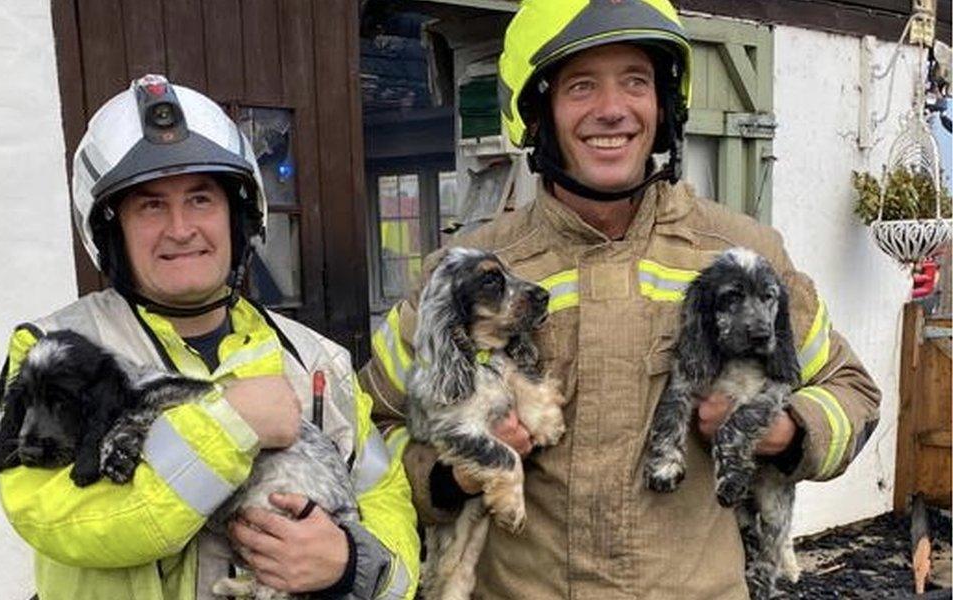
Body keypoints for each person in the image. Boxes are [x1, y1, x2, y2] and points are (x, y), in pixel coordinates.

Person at [359, 1, 880, 598]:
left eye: (636, 81)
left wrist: (788, 430)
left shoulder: (742, 254)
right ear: (538, 113)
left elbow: (854, 395)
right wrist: (450, 478)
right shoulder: (465, 275)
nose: (612, 110)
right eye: (581, 86)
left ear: (665, 106)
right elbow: (373, 429)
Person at [0, 74, 418, 600]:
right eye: (150, 205)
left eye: (200, 199)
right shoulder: (53, 353)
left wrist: (349, 563)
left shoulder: (317, 360)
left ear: (237, 216)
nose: (180, 228)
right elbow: (66, 522)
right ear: (111, 230)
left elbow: (385, 497)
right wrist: (231, 427)